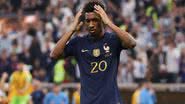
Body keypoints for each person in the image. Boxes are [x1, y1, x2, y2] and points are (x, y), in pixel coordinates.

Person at [50, 1, 136, 104]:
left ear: (102, 20)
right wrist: (71, 30)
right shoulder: (78, 43)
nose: (91, 24)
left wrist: (109, 23)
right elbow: (54, 55)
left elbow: (132, 43)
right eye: (88, 21)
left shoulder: (112, 40)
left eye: (95, 20)